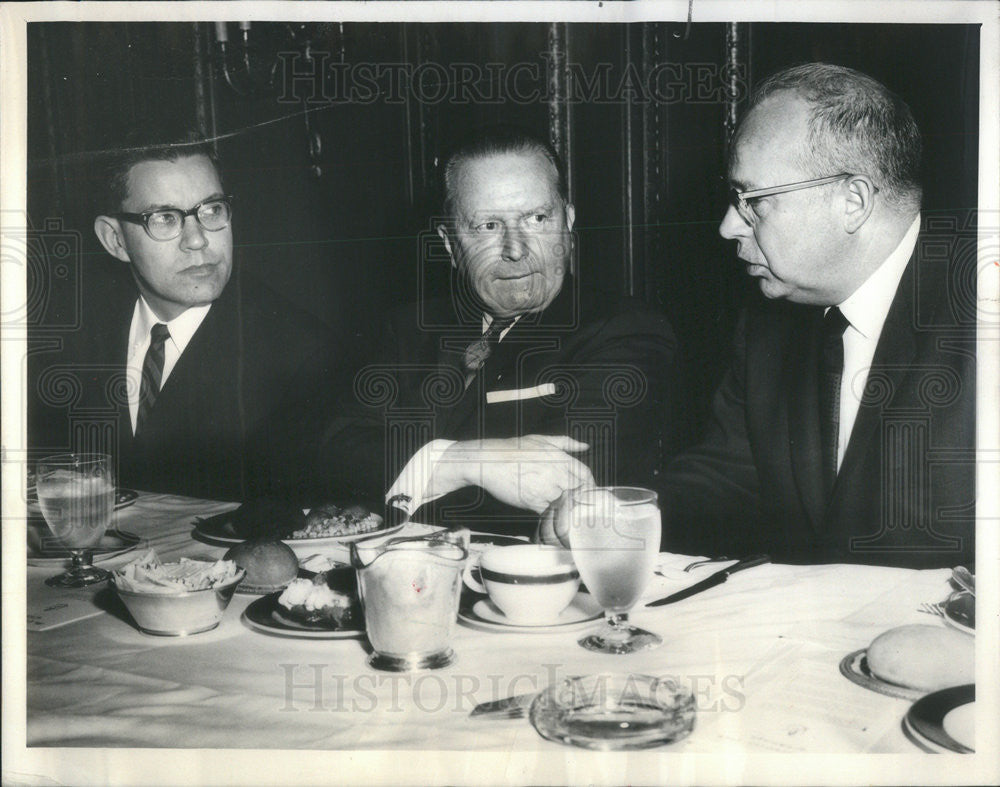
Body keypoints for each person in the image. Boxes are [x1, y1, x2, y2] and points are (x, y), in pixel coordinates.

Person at [621, 63, 972, 568]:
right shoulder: (772, 321)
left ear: (852, 201)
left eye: (753, 201)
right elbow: (728, 478)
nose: (727, 227)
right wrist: (624, 518)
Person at [318, 126, 681, 537]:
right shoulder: (406, 327)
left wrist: (427, 465)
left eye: (537, 218)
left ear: (569, 224)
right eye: (488, 226)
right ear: (451, 244)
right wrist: (469, 462)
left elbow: (578, 489)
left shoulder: (624, 330)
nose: (516, 248)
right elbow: (335, 452)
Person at [28, 134, 337, 501]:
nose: (197, 239)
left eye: (212, 210)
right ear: (115, 240)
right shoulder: (68, 337)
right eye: (164, 218)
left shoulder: (300, 353)